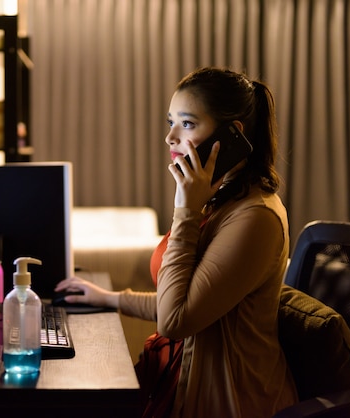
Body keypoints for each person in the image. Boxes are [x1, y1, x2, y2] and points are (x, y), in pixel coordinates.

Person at [55, 67, 299, 417]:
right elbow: (182, 298)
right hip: (181, 384)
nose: (170, 137)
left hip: (229, 402)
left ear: (231, 136)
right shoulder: (219, 201)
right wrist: (108, 298)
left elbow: (175, 320)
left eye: (186, 124)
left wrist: (185, 210)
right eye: (171, 122)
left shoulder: (255, 218)